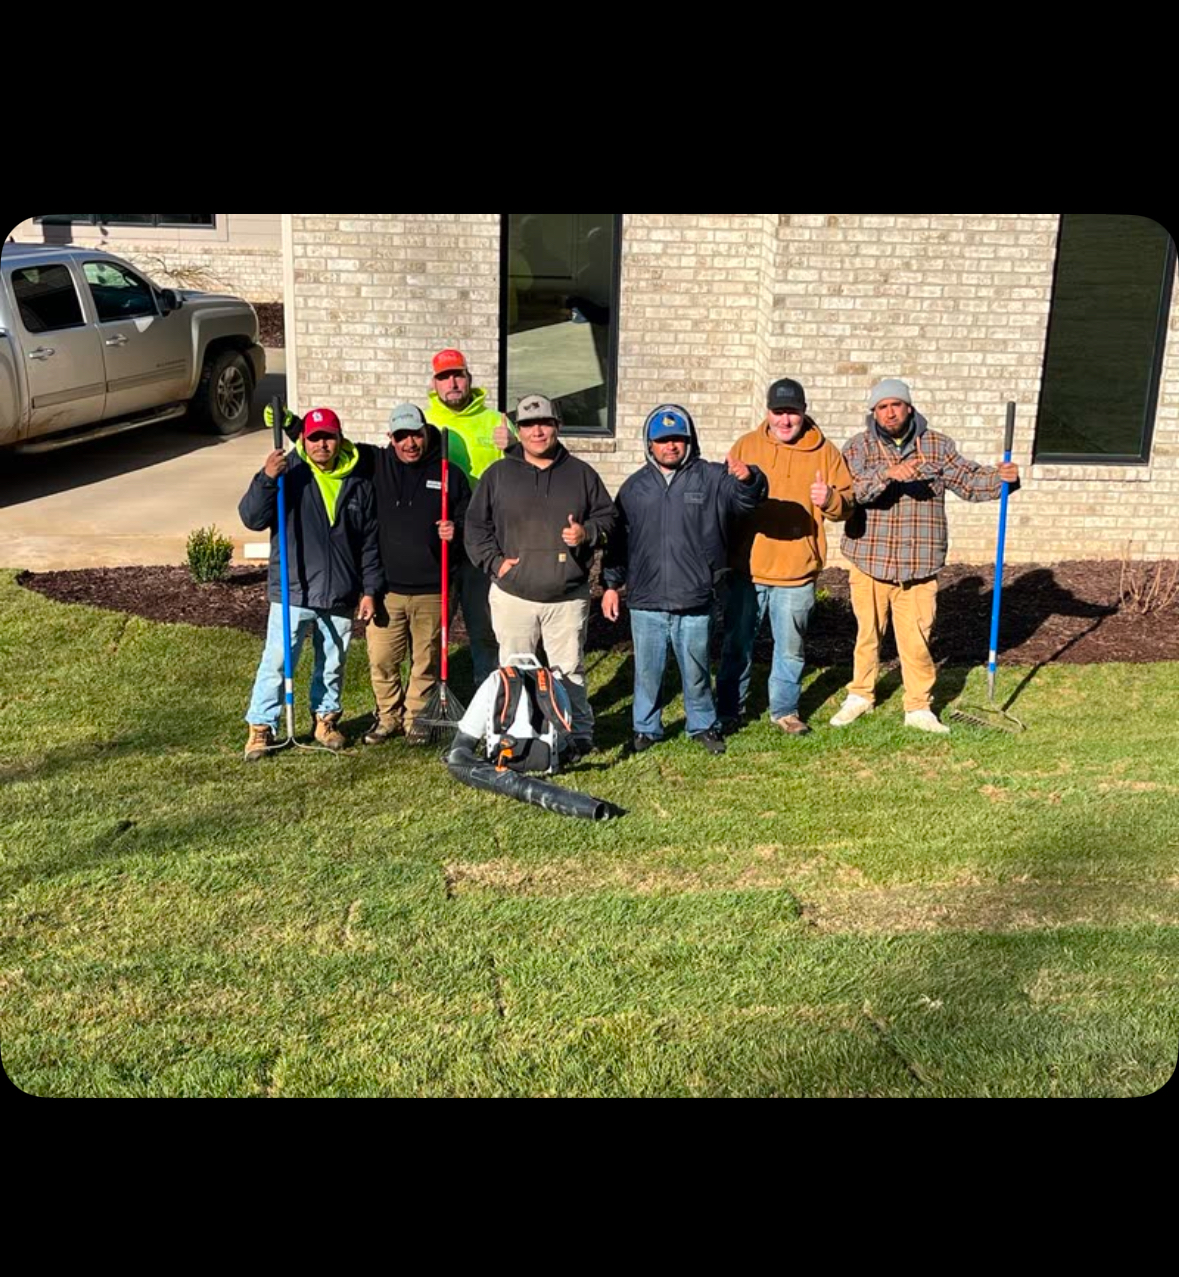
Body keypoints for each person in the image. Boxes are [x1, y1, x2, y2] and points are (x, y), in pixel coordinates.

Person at [833, 379, 1021, 734]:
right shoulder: (858, 448)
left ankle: (918, 705)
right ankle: (860, 694)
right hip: (869, 560)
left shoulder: (936, 445)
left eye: (896, 405)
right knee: (867, 635)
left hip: (919, 566)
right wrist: (887, 474)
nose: (890, 412)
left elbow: (969, 481)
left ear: (909, 407)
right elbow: (850, 493)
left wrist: (1003, 478)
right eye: (882, 407)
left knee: (917, 640)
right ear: (873, 412)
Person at [602, 404, 768, 755]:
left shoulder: (711, 478)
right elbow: (618, 541)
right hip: (646, 600)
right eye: (662, 441)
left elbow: (746, 501)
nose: (671, 446)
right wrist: (611, 585)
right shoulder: (633, 488)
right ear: (649, 444)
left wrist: (750, 478)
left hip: (696, 597)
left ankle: (703, 725)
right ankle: (646, 728)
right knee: (647, 673)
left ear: (689, 440)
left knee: (695, 671)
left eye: (678, 439)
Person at [464, 393, 616, 757]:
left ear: (557, 427)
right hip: (513, 595)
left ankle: (577, 735)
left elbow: (609, 519)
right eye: (529, 425)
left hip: (566, 596)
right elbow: (475, 525)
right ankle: (515, 735)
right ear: (519, 430)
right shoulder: (498, 474)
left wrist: (586, 534)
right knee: (513, 671)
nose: (537, 431)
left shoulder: (581, 474)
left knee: (569, 671)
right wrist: (494, 562)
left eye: (545, 423)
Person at [717, 378, 855, 737]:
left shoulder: (826, 452)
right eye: (778, 412)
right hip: (747, 569)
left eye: (791, 412)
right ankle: (729, 710)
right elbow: (724, 498)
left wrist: (830, 501)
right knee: (736, 645)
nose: (784, 420)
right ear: (768, 412)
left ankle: (785, 711)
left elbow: (848, 505)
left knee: (790, 650)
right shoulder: (747, 445)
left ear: (803, 412)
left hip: (797, 572)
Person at [240, 407, 381, 760]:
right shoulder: (290, 474)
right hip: (294, 589)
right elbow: (252, 518)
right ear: (304, 439)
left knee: (332, 662)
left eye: (328, 437)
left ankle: (325, 719)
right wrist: (267, 478)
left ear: (339, 438)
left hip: (341, 593)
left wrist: (370, 590)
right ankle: (261, 726)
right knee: (278, 660)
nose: (322, 444)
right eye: (314, 437)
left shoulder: (358, 482)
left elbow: (369, 543)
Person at [359, 404, 471, 746]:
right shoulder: (377, 466)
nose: (410, 443)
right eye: (402, 436)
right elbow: (331, 448)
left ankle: (415, 719)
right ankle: (387, 716)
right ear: (390, 439)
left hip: (433, 588)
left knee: (426, 660)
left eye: (416, 435)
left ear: (427, 434)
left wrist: (458, 530)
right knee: (382, 658)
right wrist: (292, 426)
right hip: (387, 589)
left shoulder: (449, 474)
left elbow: (473, 524)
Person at [424, 348, 514, 689]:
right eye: (445, 377)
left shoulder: (495, 422)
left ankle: (488, 695)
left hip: (484, 540)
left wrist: (514, 445)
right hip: (440, 540)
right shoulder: (426, 424)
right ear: (435, 383)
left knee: (485, 626)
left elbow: (526, 468)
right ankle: (428, 696)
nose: (453, 382)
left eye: (458, 374)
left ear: (469, 378)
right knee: (435, 626)